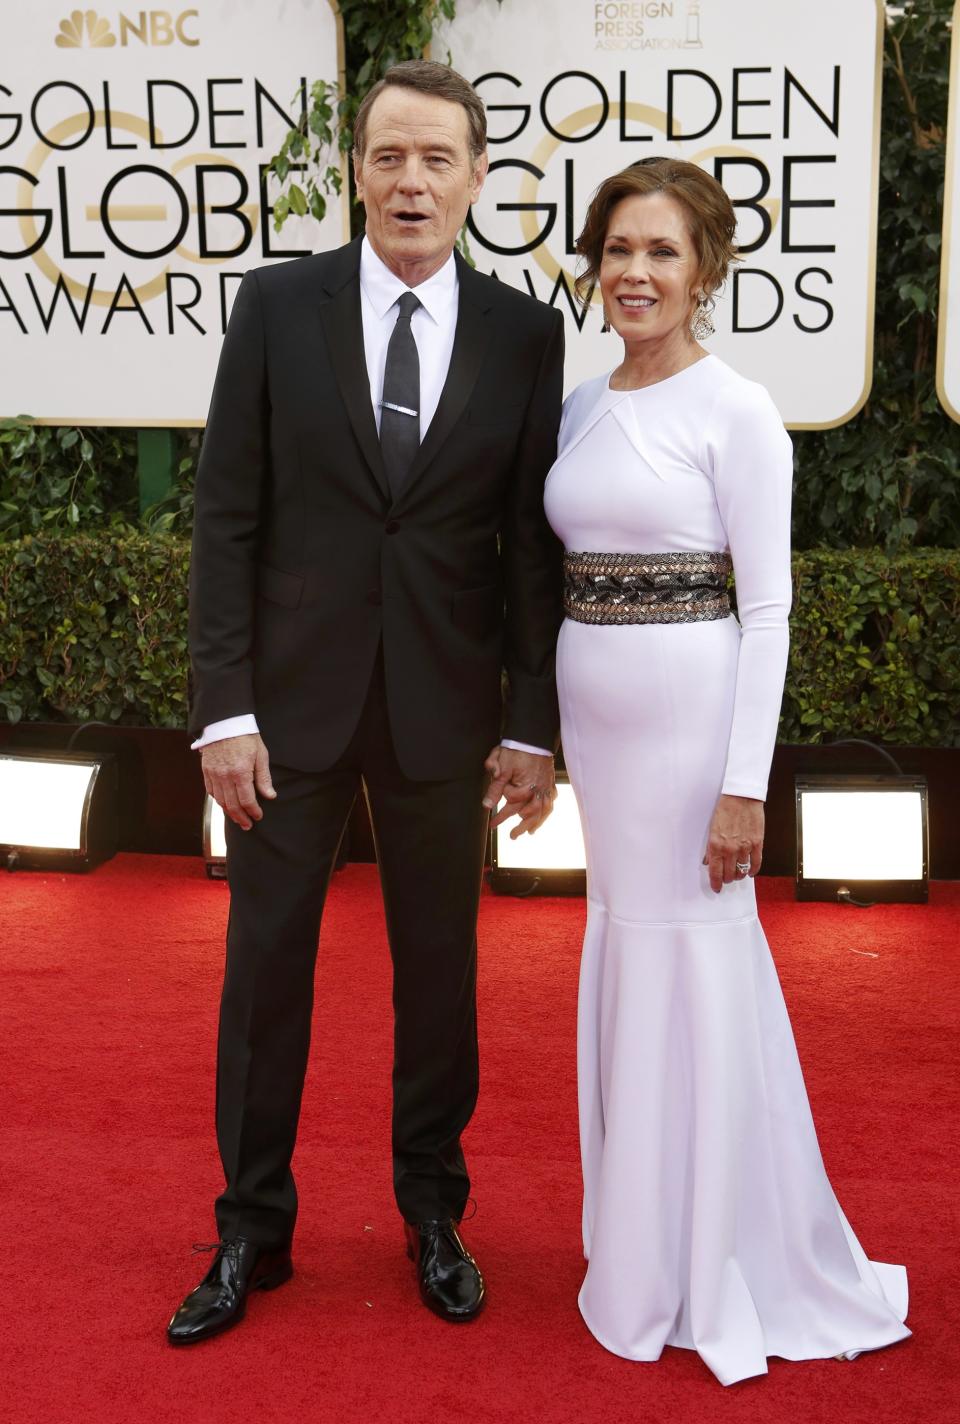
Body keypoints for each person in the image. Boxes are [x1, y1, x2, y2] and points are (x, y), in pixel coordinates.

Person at [167, 60, 564, 1345]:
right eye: (389, 155)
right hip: (284, 718)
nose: (410, 181)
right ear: (354, 167)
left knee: (438, 979)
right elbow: (226, 515)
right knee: (264, 972)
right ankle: (249, 1229)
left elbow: (530, 546)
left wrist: (529, 717)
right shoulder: (278, 307)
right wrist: (222, 708)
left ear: (476, 179)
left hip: (448, 715)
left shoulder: (523, 333)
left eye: (437, 159)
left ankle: (434, 1212)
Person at [543, 158, 910, 1386]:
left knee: (698, 964)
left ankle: (718, 1254)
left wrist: (744, 783)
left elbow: (770, 610)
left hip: (696, 739)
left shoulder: (737, 409)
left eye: (662, 251)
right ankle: (637, 1245)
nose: (636, 273)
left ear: (706, 269)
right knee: (626, 952)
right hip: (601, 740)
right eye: (618, 251)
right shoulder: (583, 406)